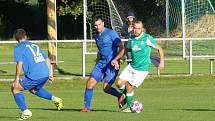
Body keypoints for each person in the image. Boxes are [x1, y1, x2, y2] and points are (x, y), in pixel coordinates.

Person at [11, 29, 63, 120]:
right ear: (26, 36)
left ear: (16, 39)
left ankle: (25, 111)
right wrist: (50, 73)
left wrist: (16, 79)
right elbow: (47, 59)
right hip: (44, 73)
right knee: (33, 89)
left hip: (35, 75)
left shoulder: (18, 48)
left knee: (15, 88)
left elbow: (19, 63)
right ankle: (55, 99)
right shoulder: (34, 45)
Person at [116, 20, 164, 112]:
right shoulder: (132, 38)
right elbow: (126, 49)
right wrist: (117, 58)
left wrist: (161, 62)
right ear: (132, 28)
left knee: (129, 87)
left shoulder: (147, 38)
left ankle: (130, 107)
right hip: (132, 66)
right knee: (118, 83)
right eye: (135, 28)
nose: (136, 30)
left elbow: (160, 49)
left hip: (142, 70)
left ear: (142, 29)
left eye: (138, 28)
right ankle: (125, 95)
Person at [80, 15, 125, 112]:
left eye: (99, 24)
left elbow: (121, 48)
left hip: (112, 64)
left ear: (103, 23)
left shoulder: (111, 33)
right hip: (101, 64)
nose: (98, 27)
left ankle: (120, 95)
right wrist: (98, 60)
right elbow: (100, 51)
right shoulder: (96, 36)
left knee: (106, 88)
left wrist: (116, 59)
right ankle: (86, 108)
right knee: (89, 84)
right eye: (95, 25)